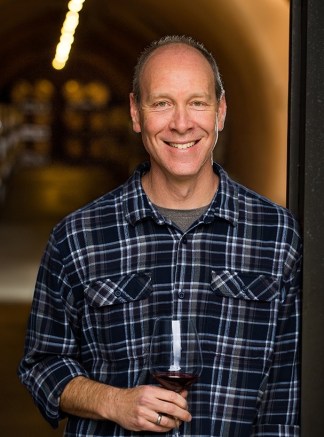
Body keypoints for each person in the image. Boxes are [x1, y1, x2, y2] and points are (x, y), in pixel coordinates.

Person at [18, 35, 302, 437]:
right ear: (136, 113)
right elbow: (42, 364)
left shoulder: (276, 235)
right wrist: (114, 401)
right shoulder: (78, 236)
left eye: (198, 103)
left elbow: (284, 399)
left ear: (220, 111)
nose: (181, 123)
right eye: (162, 103)